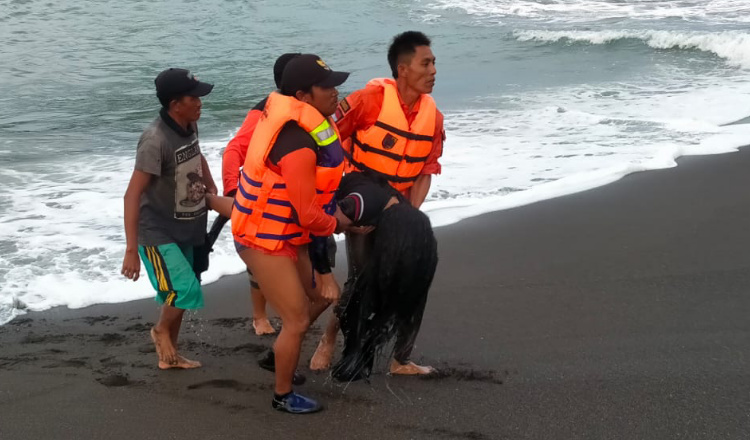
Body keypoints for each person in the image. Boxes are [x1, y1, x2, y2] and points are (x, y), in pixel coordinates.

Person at [221, 54, 352, 414]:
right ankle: (282, 396)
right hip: (264, 239)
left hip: (288, 234)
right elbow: (309, 214)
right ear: (302, 96)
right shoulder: (296, 144)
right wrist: (340, 223)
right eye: (326, 86)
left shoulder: (311, 127)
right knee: (295, 317)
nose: (335, 91)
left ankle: (278, 355)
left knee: (324, 297)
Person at [310, 31, 445, 376]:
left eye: (433, 63)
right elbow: (325, 141)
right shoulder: (368, 100)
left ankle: (401, 359)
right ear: (402, 69)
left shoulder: (434, 116)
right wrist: (330, 202)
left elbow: (426, 170)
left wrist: (409, 218)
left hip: (400, 210)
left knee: (414, 277)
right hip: (362, 200)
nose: (433, 70)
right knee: (362, 280)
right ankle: (328, 339)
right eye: (425, 63)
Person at [121, 68, 217, 370]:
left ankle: (170, 356)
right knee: (185, 290)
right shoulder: (154, 140)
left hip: (188, 225)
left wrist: (211, 184)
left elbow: (196, 155)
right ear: (175, 104)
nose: (200, 102)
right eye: (194, 97)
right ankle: (160, 332)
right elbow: (131, 195)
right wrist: (131, 251)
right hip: (158, 231)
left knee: (175, 293)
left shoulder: (189, 123)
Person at [220, 52, 300, 336]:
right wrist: (232, 191)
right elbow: (233, 151)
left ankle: (291, 316)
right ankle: (259, 317)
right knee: (262, 260)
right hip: (262, 202)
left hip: (296, 199)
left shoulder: (310, 110)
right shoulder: (265, 111)